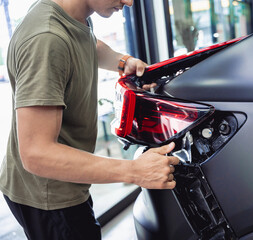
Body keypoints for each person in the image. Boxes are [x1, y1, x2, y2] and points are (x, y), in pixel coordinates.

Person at [0, 0, 180, 239]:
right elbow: (36, 154)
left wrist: (122, 61)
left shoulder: (73, 16)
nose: (129, 2)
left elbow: (86, 41)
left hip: (62, 182)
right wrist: (134, 171)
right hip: (48, 195)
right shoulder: (46, 39)